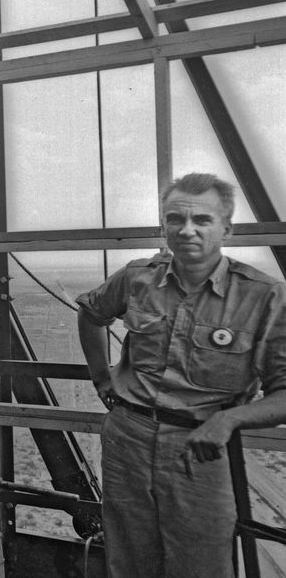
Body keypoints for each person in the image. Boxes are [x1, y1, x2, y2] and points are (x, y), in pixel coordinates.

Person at [76, 173, 286, 578]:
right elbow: (91, 313)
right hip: (128, 440)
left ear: (227, 228)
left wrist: (228, 420)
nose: (187, 230)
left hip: (199, 449)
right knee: (129, 561)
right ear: (163, 226)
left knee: (201, 566)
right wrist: (102, 380)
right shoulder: (137, 278)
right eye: (175, 219)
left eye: (202, 221)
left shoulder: (264, 296)